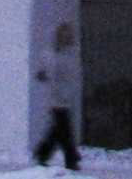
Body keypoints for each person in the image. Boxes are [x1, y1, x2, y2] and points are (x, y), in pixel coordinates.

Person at [32, 21, 81, 170]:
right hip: (56, 98)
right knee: (65, 129)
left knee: (58, 130)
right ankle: (71, 158)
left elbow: (71, 76)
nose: (67, 37)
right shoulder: (50, 55)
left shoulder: (69, 54)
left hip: (66, 97)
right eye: (64, 34)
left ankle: (42, 153)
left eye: (69, 35)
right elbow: (46, 74)